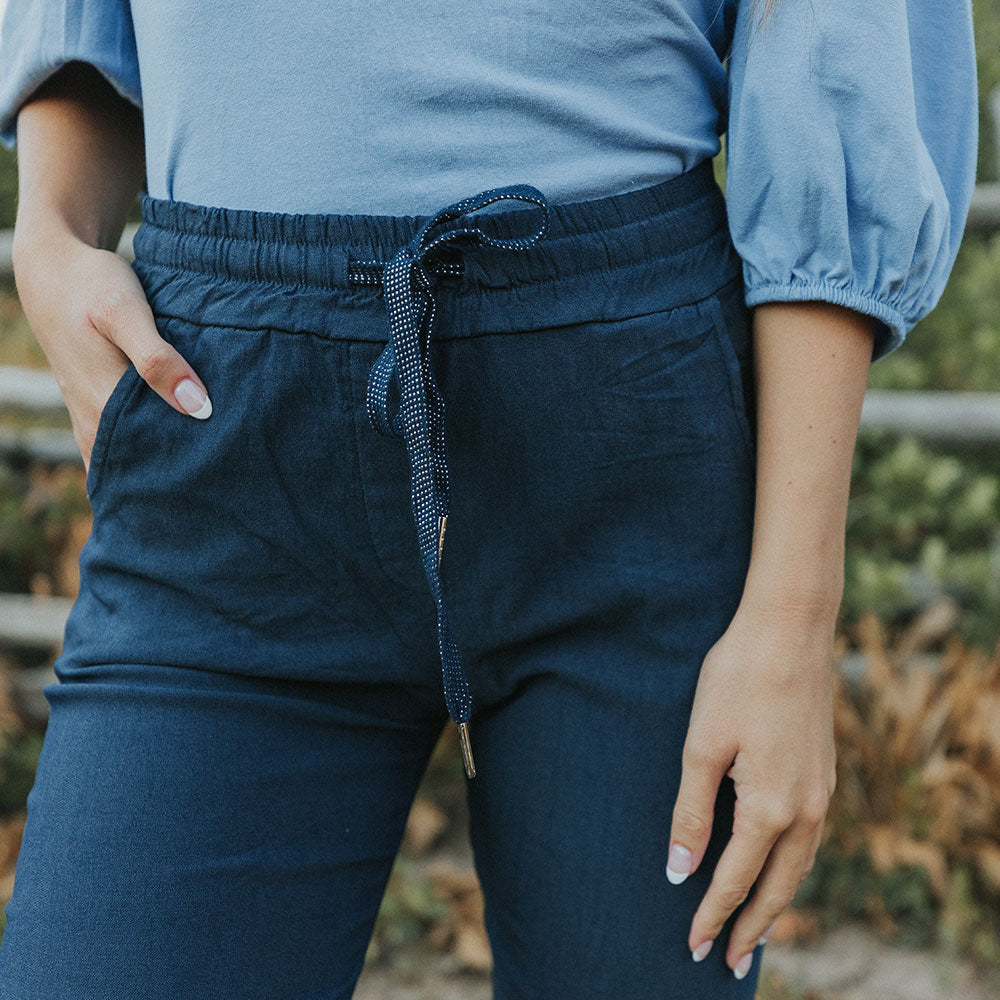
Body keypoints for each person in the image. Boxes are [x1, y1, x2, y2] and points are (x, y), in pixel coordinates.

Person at [0, 0, 978, 997]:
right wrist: (50, 232)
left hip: (622, 439)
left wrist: (792, 619)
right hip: (225, 431)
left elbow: (829, 41)